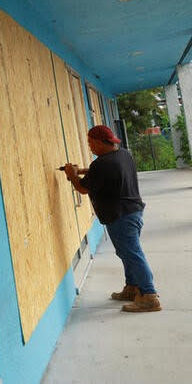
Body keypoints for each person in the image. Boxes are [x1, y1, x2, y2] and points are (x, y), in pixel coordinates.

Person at [64, 125, 160, 312]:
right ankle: (132, 288)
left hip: (121, 216)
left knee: (132, 254)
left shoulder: (101, 164)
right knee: (127, 253)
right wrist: (81, 171)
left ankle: (149, 296)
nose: (90, 147)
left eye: (91, 143)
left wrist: (73, 175)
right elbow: (103, 173)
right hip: (132, 212)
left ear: (101, 142)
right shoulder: (123, 154)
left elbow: (83, 188)